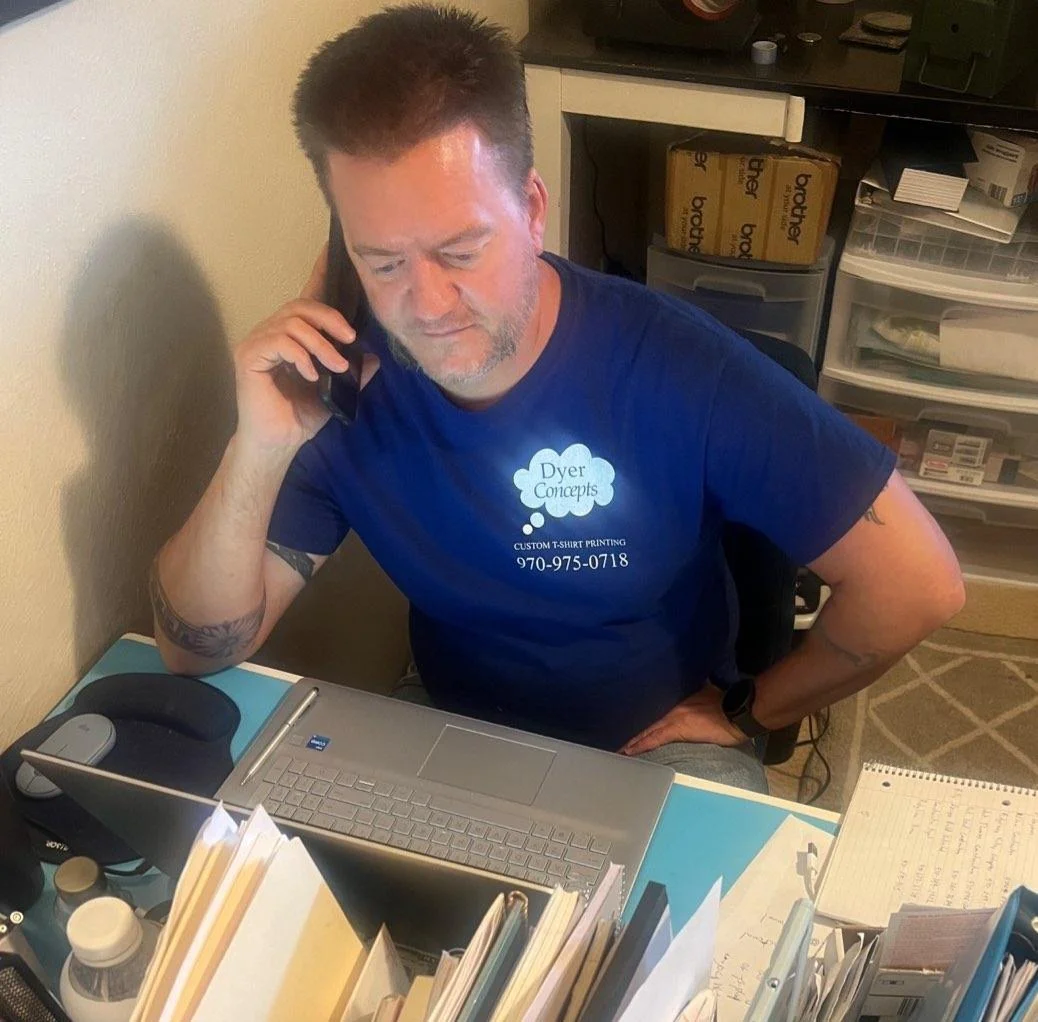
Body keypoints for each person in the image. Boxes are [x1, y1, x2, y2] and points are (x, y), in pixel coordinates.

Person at [150, 3, 964, 794]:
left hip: (652, 744)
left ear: (533, 210)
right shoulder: (340, 379)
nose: (428, 307)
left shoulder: (678, 366)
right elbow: (197, 651)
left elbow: (917, 583)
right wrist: (258, 444)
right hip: (450, 725)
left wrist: (755, 711)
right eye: (383, 262)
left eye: (461, 250)